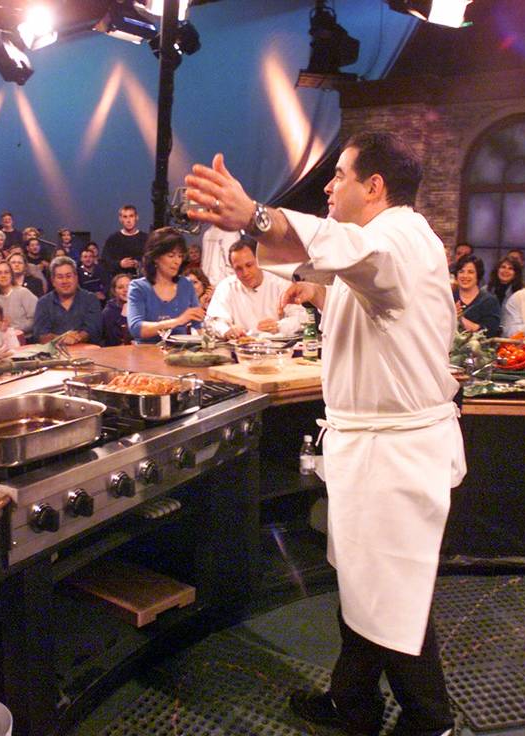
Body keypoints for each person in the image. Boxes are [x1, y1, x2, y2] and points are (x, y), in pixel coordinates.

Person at [185, 132, 465, 736]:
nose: (329, 185)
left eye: (339, 175)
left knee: (392, 596)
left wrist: (257, 215)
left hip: (394, 455)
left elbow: (364, 258)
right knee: (369, 590)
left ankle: (430, 722)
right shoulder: (388, 240)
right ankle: (352, 701)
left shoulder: (400, 238)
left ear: (375, 186)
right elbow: (353, 269)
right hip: (377, 449)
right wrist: (321, 287)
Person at [205, 242, 305, 339]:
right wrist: (226, 331)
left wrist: (279, 326)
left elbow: (301, 318)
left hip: (277, 349)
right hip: (240, 349)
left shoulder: (281, 283)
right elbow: (212, 321)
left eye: (249, 265)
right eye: (238, 268)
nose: (245, 273)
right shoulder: (226, 287)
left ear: (259, 262)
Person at [127, 228, 204, 343]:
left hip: (179, 354)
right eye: (171, 255)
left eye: (180, 256)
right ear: (156, 257)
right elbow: (136, 328)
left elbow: (198, 325)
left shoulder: (186, 284)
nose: (177, 261)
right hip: (145, 354)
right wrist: (178, 321)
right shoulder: (138, 287)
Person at [31, 257, 103, 345]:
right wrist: (62, 339)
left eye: (68, 276)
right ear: (53, 281)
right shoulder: (43, 303)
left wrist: (78, 337)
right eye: (60, 277)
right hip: (54, 355)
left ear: (76, 278)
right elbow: (40, 335)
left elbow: (94, 330)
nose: (65, 281)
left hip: (88, 353)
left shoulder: (91, 299)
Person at [452, 254, 502, 338]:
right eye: (461, 271)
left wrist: (459, 318)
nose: (465, 276)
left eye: (470, 272)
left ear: (478, 275)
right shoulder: (449, 299)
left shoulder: (489, 301)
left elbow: (488, 332)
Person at [0, 261, 37, 337]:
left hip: (26, 339)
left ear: (11, 275)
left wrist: (12, 330)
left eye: (6, 272)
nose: (3, 276)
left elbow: (35, 319)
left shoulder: (23, 292)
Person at [102, 205, 147, 280]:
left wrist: (139, 264)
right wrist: (120, 264)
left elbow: (152, 261)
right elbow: (105, 262)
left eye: (131, 216)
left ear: (137, 217)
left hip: (140, 281)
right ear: (120, 219)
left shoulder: (146, 238)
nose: (128, 220)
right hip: (119, 282)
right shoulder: (113, 239)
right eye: (125, 217)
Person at [101, 274, 132, 347]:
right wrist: (124, 316)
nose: (125, 290)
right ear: (114, 291)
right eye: (121, 287)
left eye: (129, 286)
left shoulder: (141, 307)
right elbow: (115, 341)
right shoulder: (108, 313)